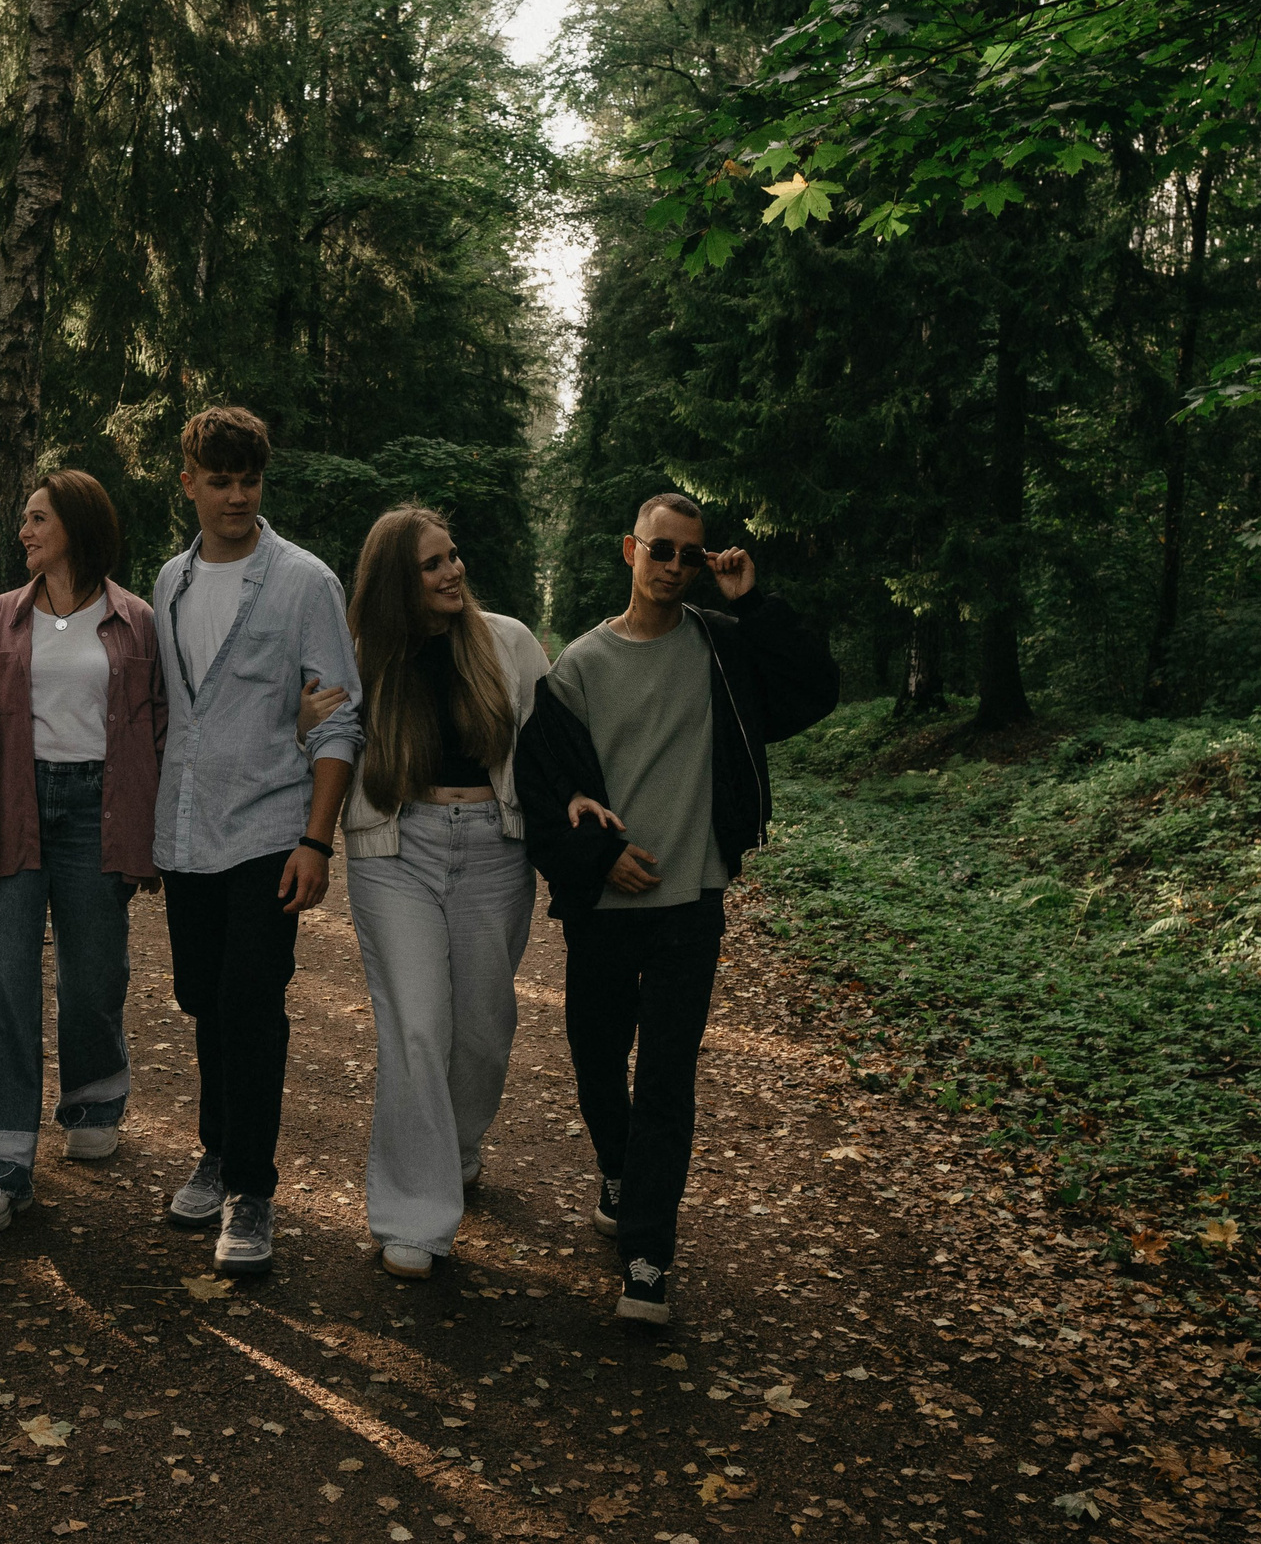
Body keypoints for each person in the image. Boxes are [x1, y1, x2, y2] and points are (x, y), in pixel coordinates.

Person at [516, 494, 838, 1323]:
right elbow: (544, 787)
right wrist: (600, 856)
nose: (674, 566)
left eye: (690, 555)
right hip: (604, 905)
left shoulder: (724, 648)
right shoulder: (580, 665)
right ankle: (618, 1168)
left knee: (666, 1076)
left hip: (692, 899)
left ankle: (648, 1254)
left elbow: (816, 688)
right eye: (661, 549)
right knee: (597, 1060)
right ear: (631, 550)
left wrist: (752, 602)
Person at [151, 405, 363, 1274]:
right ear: (190, 484)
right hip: (188, 829)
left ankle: (251, 1189)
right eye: (221, 481)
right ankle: (215, 1149)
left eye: (250, 480)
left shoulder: (306, 582)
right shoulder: (170, 582)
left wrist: (317, 841)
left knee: (251, 1001)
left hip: (272, 828)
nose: (237, 496)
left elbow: (339, 718)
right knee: (205, 999)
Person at [0, 471, 167, 1233]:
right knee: (5, 984)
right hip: (13, 803)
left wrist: (153, 829)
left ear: (76, 523)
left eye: (38, 517)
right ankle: (1, 1165)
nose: (25, 531)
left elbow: (159, 727)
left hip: (99, 808)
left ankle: (94, 1096)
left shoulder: (136, 620)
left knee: (95, 974)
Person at [340, 507, 549, 1280]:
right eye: (432, 563)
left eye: (453, 556)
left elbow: (555, 747)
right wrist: (300, 724)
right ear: (399, 580)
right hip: (396, 849)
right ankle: (413, 1214)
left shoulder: (510, 643)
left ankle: (454, 1146)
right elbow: (322, 747)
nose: (453, 570)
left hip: (495, 848)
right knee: (418, 1023)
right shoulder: (361, 657)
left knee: (485, 1027)